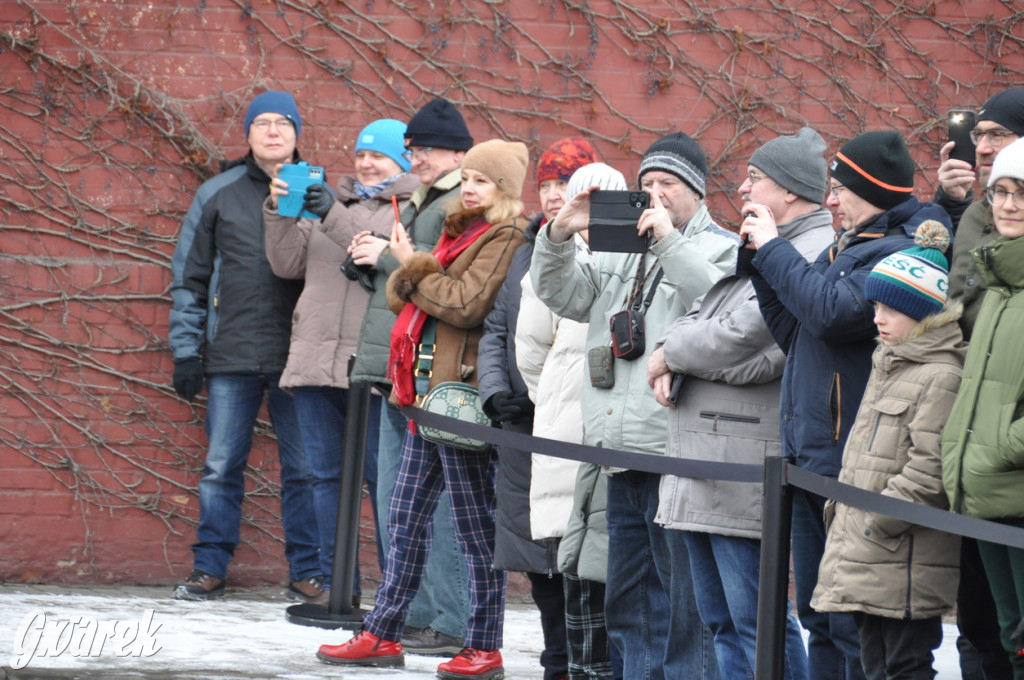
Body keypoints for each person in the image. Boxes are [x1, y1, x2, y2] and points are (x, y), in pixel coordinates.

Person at [741, 129, 952, 680]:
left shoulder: (901, 250)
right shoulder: (854, 242)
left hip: (850, 462)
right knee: (818, 613)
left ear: (873, 191)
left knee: (853, 628)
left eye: (840, 189)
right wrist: (761, 264)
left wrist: (777, 249)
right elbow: (800, 333)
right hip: (813, 454)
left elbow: (834, 314)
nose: (830, 200)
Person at [316, 139, 530, 680]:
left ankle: (484, 645)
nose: (471, 187)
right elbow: (400, 296)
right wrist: (414, 271)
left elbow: (465, 304)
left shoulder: (506, 234)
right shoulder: (465, 229)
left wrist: (412, 265)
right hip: (425, 393)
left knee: (473, 528)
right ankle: (383, 632)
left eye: (483, 180)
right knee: (405, 516)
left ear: (503, 190)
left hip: (460, 395)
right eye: (470, 178)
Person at [531, 131, 737, 680]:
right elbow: (564, 295)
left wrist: (668, 240)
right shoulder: (622, 249)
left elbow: (721, 308)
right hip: (616, 455)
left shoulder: (723, 245)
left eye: (667, 183)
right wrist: (559, 234)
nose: (654, 194)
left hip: (675, 455)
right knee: (628, 605)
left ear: (695, 190)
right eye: (646, 184)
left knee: (683, 609)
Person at [648, 127, 833, 680]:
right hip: (711, 450)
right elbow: (703, 315)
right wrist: (674, 347)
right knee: (722, 621)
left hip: (744, 457)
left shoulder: (809, 250)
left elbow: (748, 341)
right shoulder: (764, 241)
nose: (744, 186)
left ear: (792, 192)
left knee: (758, 622)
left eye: (756, 177)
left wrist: (669, 354)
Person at [167, 90, 319, 601]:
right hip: (229, 354)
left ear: (298, 134)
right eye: (263, 124)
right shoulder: (219, 192)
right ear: (248, 133)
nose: (273, 131)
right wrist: (187, 351)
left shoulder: (319, 193)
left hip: (300, 360)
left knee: (305, 470)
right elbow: (190, 278)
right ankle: (209, 567)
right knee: (220, 466)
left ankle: (308, 571)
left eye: (284, 123)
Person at [263, 118, 421, 604]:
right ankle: (339, 591)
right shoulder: (327, 201)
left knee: (385, 482)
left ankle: (396, 597)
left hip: (370, 367)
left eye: (378, 156)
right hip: (314, 359)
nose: (366, 163)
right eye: (361, 155)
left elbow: (373, 252)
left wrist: (330, 210)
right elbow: (286, 264)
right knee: (324, 479)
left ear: (402, 161)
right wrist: (279, 209)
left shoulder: (412, 208)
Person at [343, 98, 473, 654]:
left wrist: (390, 259)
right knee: (402, 503)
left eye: (426, 149)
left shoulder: (461, 202)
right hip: (401, 370)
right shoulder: (423, 198)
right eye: (413, 149)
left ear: (458, 154)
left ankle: (449, 621)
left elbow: (451, 279)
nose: (415, 157)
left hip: (433, 375)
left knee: (438, 508)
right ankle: (418, 615)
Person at [812, 221, 965, 680]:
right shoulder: (889, 362)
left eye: (892, 308)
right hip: (870, 545)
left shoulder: (941, 375)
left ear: (924, 314)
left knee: (904, 664)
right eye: (877, 304)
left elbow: (929, 470)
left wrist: (877, 519)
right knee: (874, 662)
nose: (878, 317)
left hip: (901, 549)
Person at [478, 136, 598, 680]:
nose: (552, 195)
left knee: (579, 553)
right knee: (536, 552)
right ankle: (554, 659)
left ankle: (583, 661)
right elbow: (498, 327)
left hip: (572, 424)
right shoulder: (527, 250)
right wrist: (493, 390)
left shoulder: (602, 250)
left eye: (564, 184)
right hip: (521, 426)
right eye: (545, 184)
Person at [519, 162, 628, 680]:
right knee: (570, 565)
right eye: (582, 195)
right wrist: (562, 402)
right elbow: (530, 351)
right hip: (566, 430)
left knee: (613, 570)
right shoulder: (553, 259)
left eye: (606, 197)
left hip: (617, 433)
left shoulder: (638, 256)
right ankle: (566, 666)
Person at [933, 87, 1024, 680]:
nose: (1009, 205)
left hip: (1007, 475)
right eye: (1002, 194)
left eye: (1022, 193)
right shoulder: (995, 273)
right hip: (982, 482)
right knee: (1000, 631)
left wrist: (1000, 446)